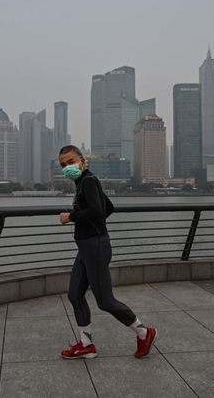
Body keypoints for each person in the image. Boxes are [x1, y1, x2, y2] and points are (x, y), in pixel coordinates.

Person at [58, 145, 157, 359]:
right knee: (75, 294)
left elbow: (97, 211)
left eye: (71, 162)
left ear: (82, 162)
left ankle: (144, 333)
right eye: (63, 165)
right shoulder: (83, 182)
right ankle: (86, 345)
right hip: (86, 247)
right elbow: (108, 208)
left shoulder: (88, 181)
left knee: (105, 301)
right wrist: (93, 225)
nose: (67, 167)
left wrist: (72, 217)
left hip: (95, 247)